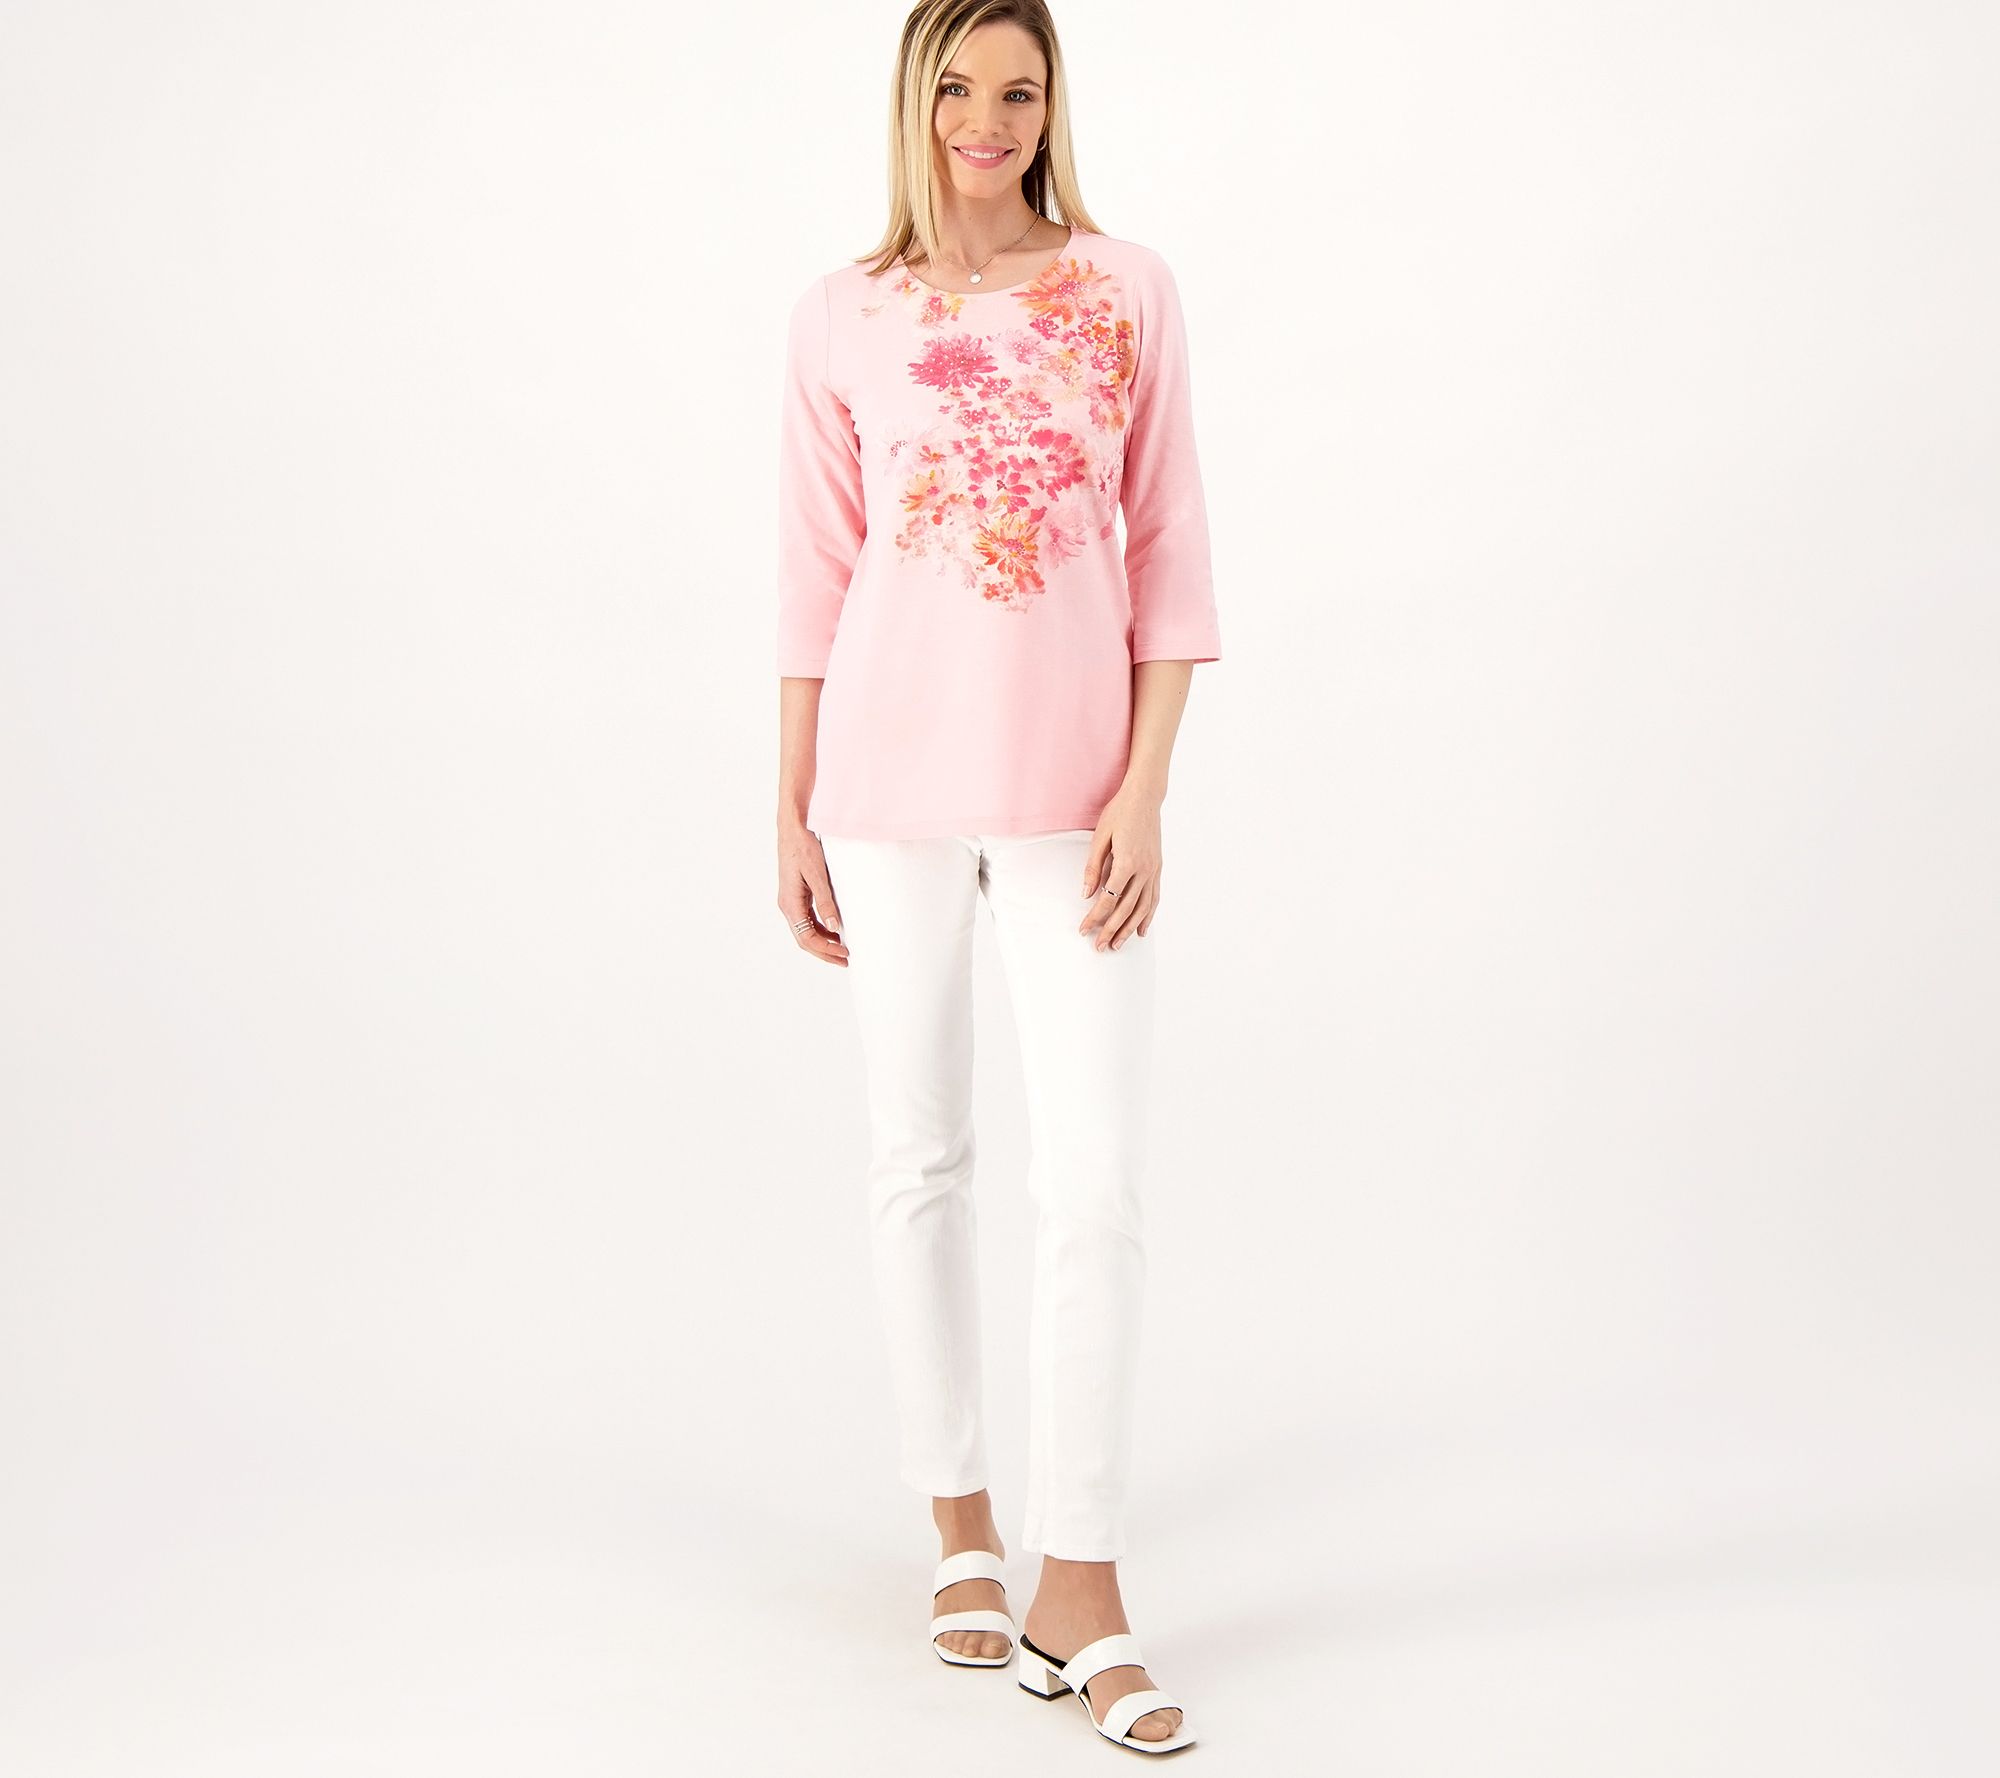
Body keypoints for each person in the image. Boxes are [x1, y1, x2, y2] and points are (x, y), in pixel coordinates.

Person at [773, 0, 1218, 1755]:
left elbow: (1171, 545)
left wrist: (1146, 789)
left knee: (1093, 1182)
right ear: (915, 100)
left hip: (1073, 796)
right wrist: (791, 809)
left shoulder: (1126, 290)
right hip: (883, 786)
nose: (987, 118)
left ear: (1053, 106)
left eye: (1019, 89)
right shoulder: (841, 313)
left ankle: (1078, 1576)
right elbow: (813, 574)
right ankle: (959, 1514)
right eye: (956, 85)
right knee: (922, 1155)